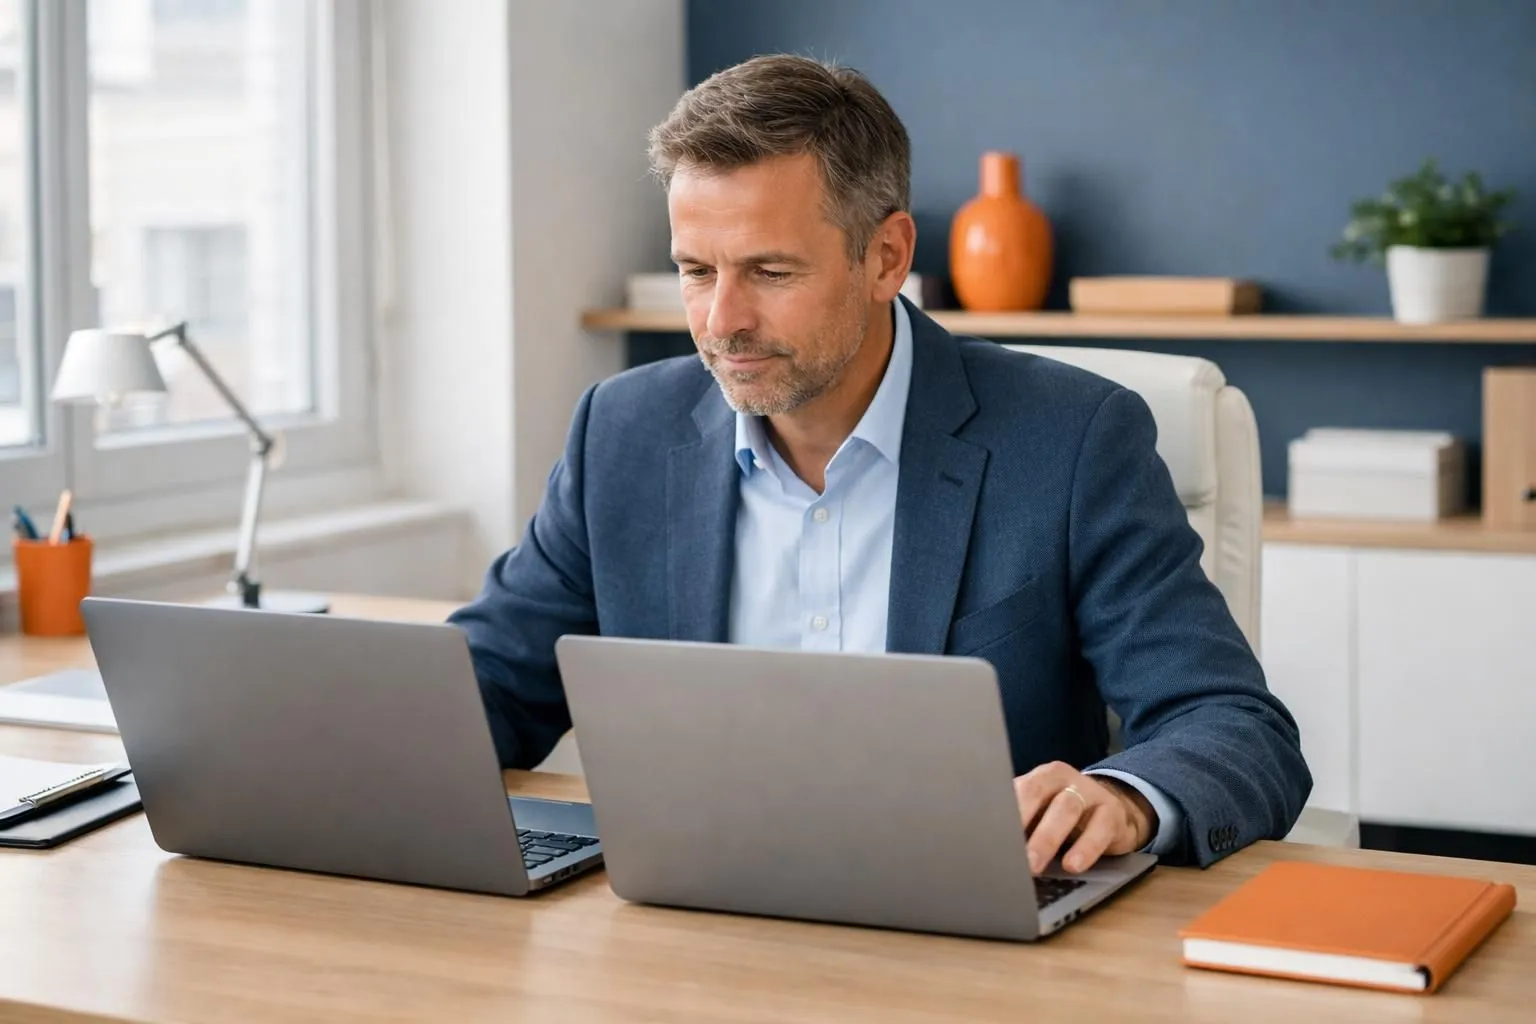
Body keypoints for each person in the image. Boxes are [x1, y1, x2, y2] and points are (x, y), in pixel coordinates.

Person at [449, 54, 1311, 872]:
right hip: (690, 909)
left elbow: (1233, 724)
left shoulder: (1072, 439)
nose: (722, 320)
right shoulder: (624, 433)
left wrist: (1124, 799)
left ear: (886, 258)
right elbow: (491, 684)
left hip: (970, 922)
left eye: (770, 271)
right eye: (695, 270)